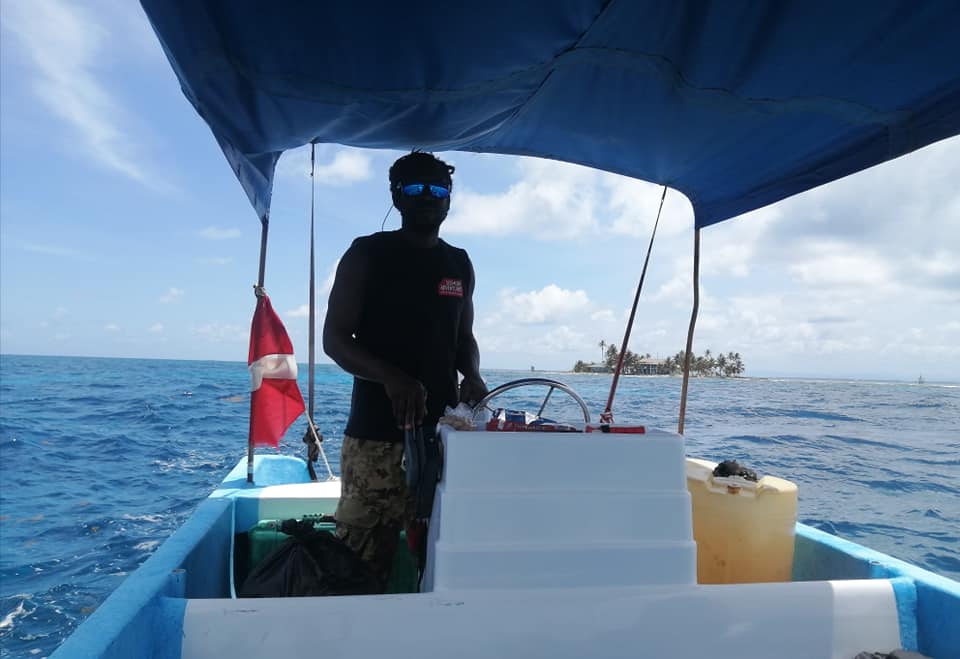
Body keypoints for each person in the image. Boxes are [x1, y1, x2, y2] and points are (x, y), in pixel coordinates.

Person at [323, 151, 487, 591]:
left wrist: (472, 374)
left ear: (449, 198)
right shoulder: (367, 253)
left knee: (440, 560)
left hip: (443, 439)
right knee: (357, 566)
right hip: (375, 439)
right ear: (397, 197)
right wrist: (391, 377)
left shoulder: (459, 263)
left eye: (438, 189)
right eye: (415, 188)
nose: (428, 196)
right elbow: (335, 340)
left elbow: (464, 338)